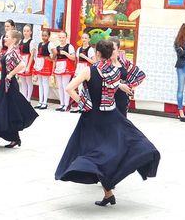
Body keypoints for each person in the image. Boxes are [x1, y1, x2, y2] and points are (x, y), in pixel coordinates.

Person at [55, 40, 160, 207]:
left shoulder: (89, 70)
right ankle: (108, 193)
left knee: (89, 151)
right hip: (111, 115)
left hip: (92, 118)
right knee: (116, 147)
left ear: (97, 53)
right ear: (110, 53)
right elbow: (113, 83)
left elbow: (69, 88)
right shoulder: (113, 71)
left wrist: (83, 103)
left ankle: (106, 189)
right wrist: (123, 87)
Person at [109, 36, 146, 116]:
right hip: (108, 99)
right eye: (108, 48)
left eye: (113, 49)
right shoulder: (104, 64)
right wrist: (119, 85)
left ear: (118, 49)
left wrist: (130, 86)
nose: (110, 51)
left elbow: (140, 74)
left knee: (122, 125)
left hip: (122, 99)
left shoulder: (124, 63)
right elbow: (101, 79)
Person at [68, 33, 96, 113]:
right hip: (79, 68)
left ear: (89, 39)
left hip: (86, 69)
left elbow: (94, 62)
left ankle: (86, 105)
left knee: (85, 88)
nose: (84, 39)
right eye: (82, 38)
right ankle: (80, 105)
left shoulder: (90, 49)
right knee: (79, 88)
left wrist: (85, 57)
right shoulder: (79, 49)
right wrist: (76, 71)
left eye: (86, 38)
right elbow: (77, 61)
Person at [32, 29, 56, 109]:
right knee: (40, 83)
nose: (44, 37)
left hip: (46, 64)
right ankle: (40, 101)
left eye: (46, 35)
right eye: (43, 35)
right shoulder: (39, 44)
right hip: (39, 63)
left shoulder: (50, 44)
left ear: (49, 36)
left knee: (45, 83)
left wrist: (51, 58)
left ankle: (45, 102)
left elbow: (55, 52)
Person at [53, 31, 75, 111]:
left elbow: (73, 58)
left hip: (67, 67)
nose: (61, 39)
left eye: (63, 37)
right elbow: (55, 59)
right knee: (60, 86)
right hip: (59, 66)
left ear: (66, 38)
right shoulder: (57, 47)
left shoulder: (70, 46)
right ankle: (61, 103)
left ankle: (66, 105)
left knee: (65, 86)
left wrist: (66, 53)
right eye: (60, 37)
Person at [17, 24, 35, 101]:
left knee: (28, 80)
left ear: (31, 32)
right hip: (22, 61)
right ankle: (24, 97)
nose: (25, 32)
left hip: (28, 62)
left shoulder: (32, 42)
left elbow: (32, 55)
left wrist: (28, 66)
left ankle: (28, 98)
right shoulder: (21, 41)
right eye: (24, 31)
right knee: (22, 81)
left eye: (27, 31)